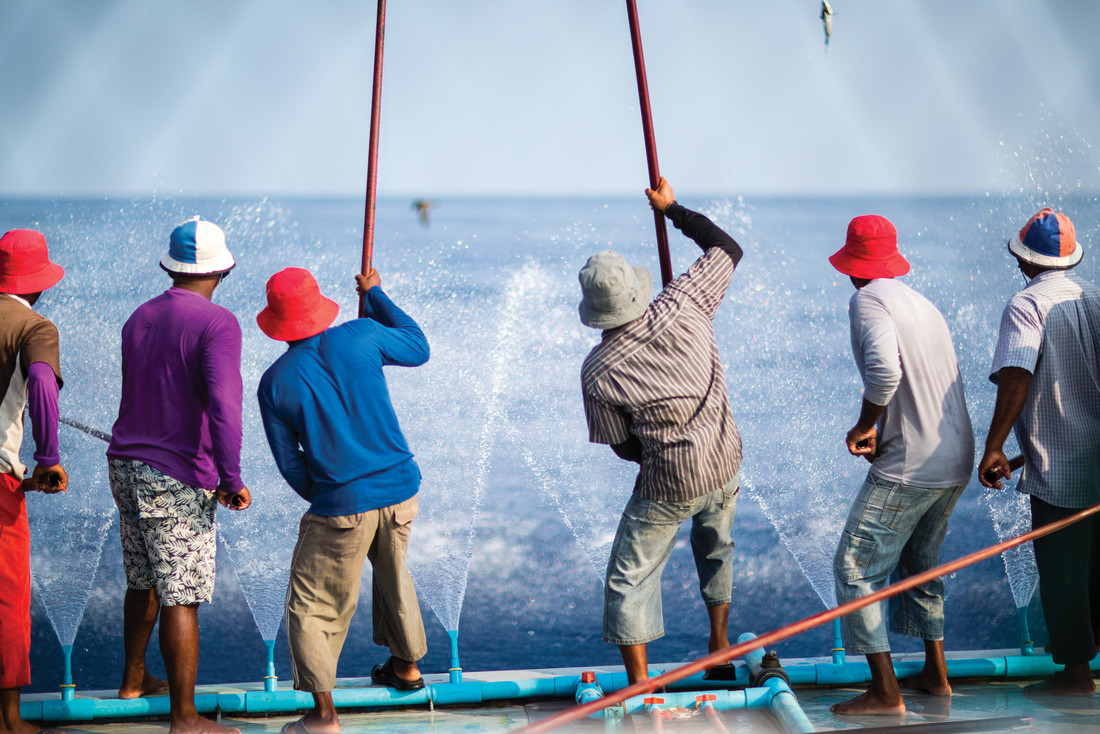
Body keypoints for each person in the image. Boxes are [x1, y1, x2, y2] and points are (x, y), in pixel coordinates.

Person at [579, 177, 743, 684]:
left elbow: (626, 448)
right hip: (725, 461)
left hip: (669, 481)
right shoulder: (683, 303)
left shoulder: (599, 370)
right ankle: (719, 645)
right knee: (716, 548)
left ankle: (641, 684)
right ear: (635, 290)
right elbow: (727, 248)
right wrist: (672, 209)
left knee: (630, 580)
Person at [256, 266, 429, 734]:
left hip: (341, 504)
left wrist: (330, 495)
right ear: (319, 306)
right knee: (395, 575)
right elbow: (417, 345)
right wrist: (376, 296)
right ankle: (407, 667)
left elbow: (290, 464)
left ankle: (323, 716)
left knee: (314, 604)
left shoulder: (274, 383)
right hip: (400, 489)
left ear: (276, 321)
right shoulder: (364, 335)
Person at [106, 217, 251, 734]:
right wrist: (230, 478)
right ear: (225, 268)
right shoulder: (219, 323)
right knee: (180, 592)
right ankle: (185, 719)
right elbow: (225, 408)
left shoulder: (139, 316)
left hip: (124, 464)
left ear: (171, 265)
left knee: (143, 578)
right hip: (177, 475)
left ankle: (133, 679)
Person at [828, 215, 974, 715]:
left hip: (912, 464)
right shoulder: (922, 304)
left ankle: (885, 693)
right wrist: (883, 425)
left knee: (854, 568)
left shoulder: (867, 300)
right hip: (954, 455)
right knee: (919, 568)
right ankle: (936, 674)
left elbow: (886, 370)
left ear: (852, 266)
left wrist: (864, 425)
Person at [978, 208, 1100, 696]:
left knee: (1062, 569)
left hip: (1062, 471)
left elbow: (1018, 375)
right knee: (1095, 566)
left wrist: (993, 448)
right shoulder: (1093, 297)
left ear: (1024, 259)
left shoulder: (1025, 305)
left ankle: (1074, 674)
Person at [0, 229, 67, 734]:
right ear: (39, 284)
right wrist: (48, 458)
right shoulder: (35, 327)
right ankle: (8, 720)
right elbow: (42, 383)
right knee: (7, 597)